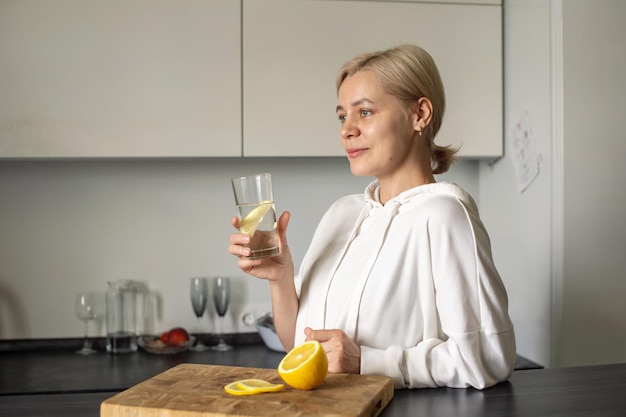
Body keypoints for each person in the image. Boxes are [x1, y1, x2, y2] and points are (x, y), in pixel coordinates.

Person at [228, 44, 516, 389]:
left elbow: (488, 358)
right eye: (342, 116)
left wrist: (367, 361)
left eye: (364, 112)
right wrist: (280, 277)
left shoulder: (444, 215)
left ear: (420, 114)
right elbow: (300, 349)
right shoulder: (342, 214)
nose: (346, 129)